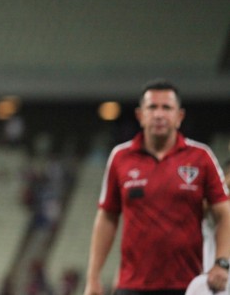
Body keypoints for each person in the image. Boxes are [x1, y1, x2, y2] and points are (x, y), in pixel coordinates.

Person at [84, 79, 230, 295]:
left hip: (187, 285)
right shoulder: (120, 157)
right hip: (132, 286)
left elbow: (224, 212)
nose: (159, 114)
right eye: (152, 107)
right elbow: (107, 217)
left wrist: (222, 262)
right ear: (140, 115)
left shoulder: (201, 157)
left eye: (167, 108)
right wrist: (93, 277)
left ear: (179, 116)